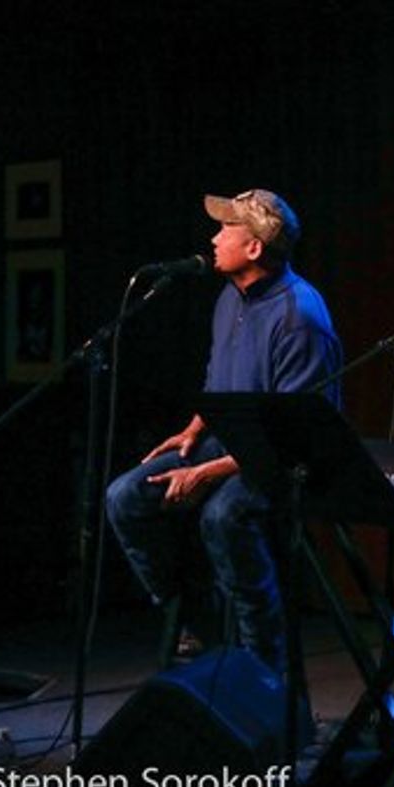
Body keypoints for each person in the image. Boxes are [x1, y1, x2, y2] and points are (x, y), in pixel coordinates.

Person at [106, 189, 342, 672]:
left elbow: (293, 433)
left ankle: (262, 663)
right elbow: (220, 378)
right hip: (229, 443)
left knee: (223, 516)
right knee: (124, 497)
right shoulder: (228, 298)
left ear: (254, 247)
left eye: (226, 228)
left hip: (282, 460)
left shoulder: (299, 318)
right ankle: (197, 618)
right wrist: (194, 429)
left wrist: (207, 473)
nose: (214, 238)